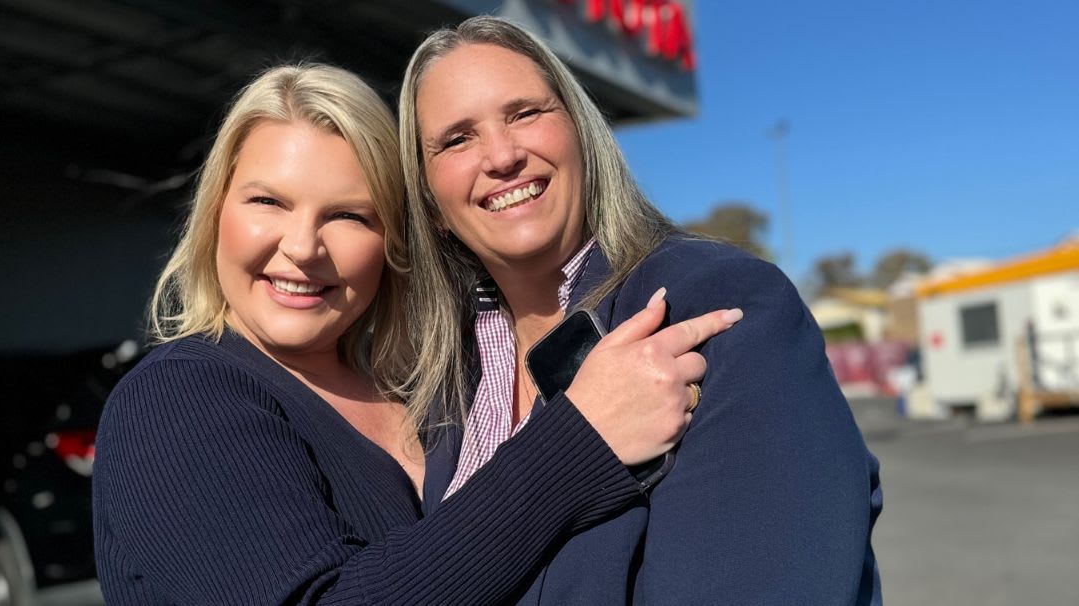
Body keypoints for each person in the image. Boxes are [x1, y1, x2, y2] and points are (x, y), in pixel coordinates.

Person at [93, 63, 738, 605]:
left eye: (348, 215)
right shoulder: (178, 396)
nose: (302, 248)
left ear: (393, 243)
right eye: (268, 202)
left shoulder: (420, 393)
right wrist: (582, 440)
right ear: (215, 217)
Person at [399, 16, 883, 605]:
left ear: (581, 131)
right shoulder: (443, 389)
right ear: (429, 200)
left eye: (525, 113)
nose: (502, 156)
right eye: (456, 139)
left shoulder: (714, 303)